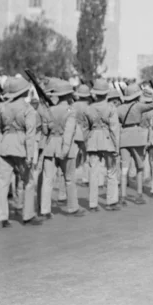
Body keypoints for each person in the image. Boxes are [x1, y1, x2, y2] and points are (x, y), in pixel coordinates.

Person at [0, 77, 43, 226]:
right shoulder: (28, 109)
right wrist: (30, 155)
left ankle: (1, 217)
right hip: (21, 146)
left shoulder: (0, 107)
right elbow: (30, 134)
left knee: (3, 182)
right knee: (28, 181)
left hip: (4, 145)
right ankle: (28, 215)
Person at [41, 80, 86, 218]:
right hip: (66, 147)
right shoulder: (71, 111)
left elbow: (44, 130)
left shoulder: (49, 110)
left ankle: (45, 210)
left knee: (48, 179)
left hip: (50, 146)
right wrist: (65, 150)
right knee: (69, 179)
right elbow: (69, 132)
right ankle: (72, 207)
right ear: (68, 95)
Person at [117, 83, 153, 204]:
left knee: (124, 169)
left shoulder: (119, 108)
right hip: (137, 137)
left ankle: (123, 197)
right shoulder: (138, 106)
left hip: (124, 137)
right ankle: (139, 195)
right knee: (139, 167)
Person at [85, 79, 121, 212]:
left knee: (93, 172)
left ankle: (93, 204)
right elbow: (114, 129)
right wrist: (116, 147)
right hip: (108, 141)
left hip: (93, 139)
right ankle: (111, 202)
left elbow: (86, 126)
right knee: (111, 171)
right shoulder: (111, 108)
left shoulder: (89, 108)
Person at [72, 84, 92, 186]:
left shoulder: (73, 105)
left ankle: (71, 177)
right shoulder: (89, 107)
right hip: (86, 132)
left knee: (73, 156)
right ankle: (85, 179)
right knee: (86, 157)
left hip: (74, 132)